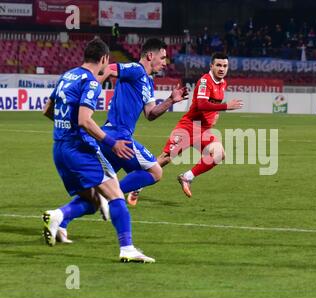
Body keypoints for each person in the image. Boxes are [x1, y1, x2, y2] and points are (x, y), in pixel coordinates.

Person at [57, 37, 187, 241]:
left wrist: (170, 100)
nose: (165, 62)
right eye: (162, 57)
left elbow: (150, 113)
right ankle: (114, 198)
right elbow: (109, 69)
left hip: (111, 136)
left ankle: (61, 218)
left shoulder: (148, 82)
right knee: (155, 171)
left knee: (98, 188)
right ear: (150, 56)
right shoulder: (135, 69)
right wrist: (91, 89)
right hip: (118, 136)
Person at [42, 38, 154, 263]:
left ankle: (58, 217)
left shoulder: (67, 76)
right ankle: (127, 248)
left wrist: (67, 125)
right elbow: (85, 120)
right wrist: (112, 143)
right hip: (81, 149)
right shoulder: (91, 82)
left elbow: (47, 110)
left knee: (94, 200)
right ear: (104, 59)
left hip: (59, 149)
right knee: (115, 195)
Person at [129, 52, 243, 201]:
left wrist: (215, 114)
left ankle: (187, 177)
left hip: (203, 130)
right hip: (189, 127)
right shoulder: (205, 81)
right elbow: (202, 104)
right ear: (211, 66)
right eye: (219, 65)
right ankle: (138, 184)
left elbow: (212, 104)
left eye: (225, 66)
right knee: (166, 158)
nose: (222, 69)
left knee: (219, 154)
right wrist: (226, 106)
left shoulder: (222, 83)